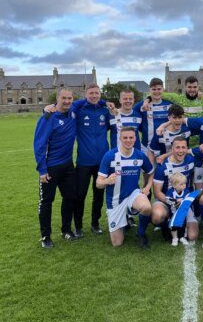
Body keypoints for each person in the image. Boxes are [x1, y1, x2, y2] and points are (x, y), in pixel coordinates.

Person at [34, 88, 78, 248]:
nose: (67, 101)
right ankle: (45, 236)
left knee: (70, 198)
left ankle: (66, 230)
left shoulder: (73, 111)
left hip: (67, 165)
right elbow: (39, 145)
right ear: (57, 99)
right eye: (64, 98)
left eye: (69, 98)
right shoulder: (48, 117)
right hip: (50, 167)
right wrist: (42, 170)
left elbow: (91, 99)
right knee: (46, 201)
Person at [96, 127, 154, 247]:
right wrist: (107, 181)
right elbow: (98, 183)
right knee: (117, 243)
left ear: (135, 138)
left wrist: (147, 186)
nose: (128, 140)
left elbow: (151, 172)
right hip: (115, 201)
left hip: (133, 194)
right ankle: (125, 218)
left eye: (131, 137)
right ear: (120, 139)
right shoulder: (109, 156)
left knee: (146, 207)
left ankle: (141, 233)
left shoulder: (139, 155)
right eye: (125, 138)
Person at [73, 83, 111, 236]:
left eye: (97, 93)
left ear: (100, 94)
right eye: (91, 93)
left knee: (98, 195)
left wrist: (103, 103)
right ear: (86, 94)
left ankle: (95, 224)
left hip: (102, 162)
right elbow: (70, 104)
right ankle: (78, 227)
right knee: (80, 195)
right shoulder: (80, 109)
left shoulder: (104, 110)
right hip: (83, 162)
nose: (94, 96)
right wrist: (89, 101)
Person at [147, 137, 197, 248]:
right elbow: (157, 192)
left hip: (183, 201)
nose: (180, 151)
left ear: (187, 148)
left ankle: (183, 223)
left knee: (192, 236)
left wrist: (186, 201)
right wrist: (172, 202)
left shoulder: (191, 161)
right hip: (166, 200)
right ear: (172, 149)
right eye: (177, 147)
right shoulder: (163, 167)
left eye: (183, 147)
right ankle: (166, 227)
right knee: (157, 216)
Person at [135, 77, 173, 154]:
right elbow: (129, 113)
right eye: (154, 89)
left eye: (159, 89)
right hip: (147, 147)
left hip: (165, 146)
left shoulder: (169, 104)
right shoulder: (142, 105)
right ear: (150, 90)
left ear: (163, 89)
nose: (156, 92)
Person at [166, 173, 191, 247]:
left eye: (184, 183)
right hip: (173, 212)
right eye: (181, 184)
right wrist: (176, 201)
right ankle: (175, 238)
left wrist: (184, 201)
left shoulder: (186, 191)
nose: (184, 185)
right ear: (174, 185)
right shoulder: (171, 192)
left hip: (183, 212)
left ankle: (182, 237)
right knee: (174, 225)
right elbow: (167, 200)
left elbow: (188, 198)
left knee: (183, 224)